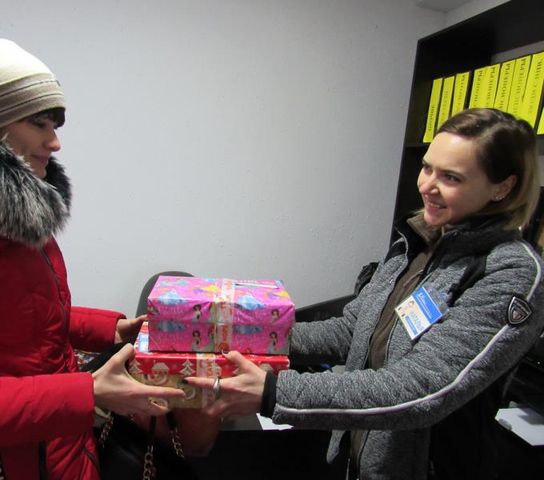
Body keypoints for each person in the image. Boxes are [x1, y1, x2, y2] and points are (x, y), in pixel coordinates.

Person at [187, 108, 544, 480]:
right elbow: (350, 331)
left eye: (450, 177)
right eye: (427, 168)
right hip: (362, 458)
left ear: (503, 188)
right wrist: (240, 335)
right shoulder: (419, 241)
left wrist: (274, 392)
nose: (427, 186)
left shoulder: (511, 272)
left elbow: (420, 387)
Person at [0, 39, 185, 479]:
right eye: (39, 124)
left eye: (55, 125)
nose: (55, 143)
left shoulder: (7, 211)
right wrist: (87, 393)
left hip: (57, 447)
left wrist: (111, 329)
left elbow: (23, 316)